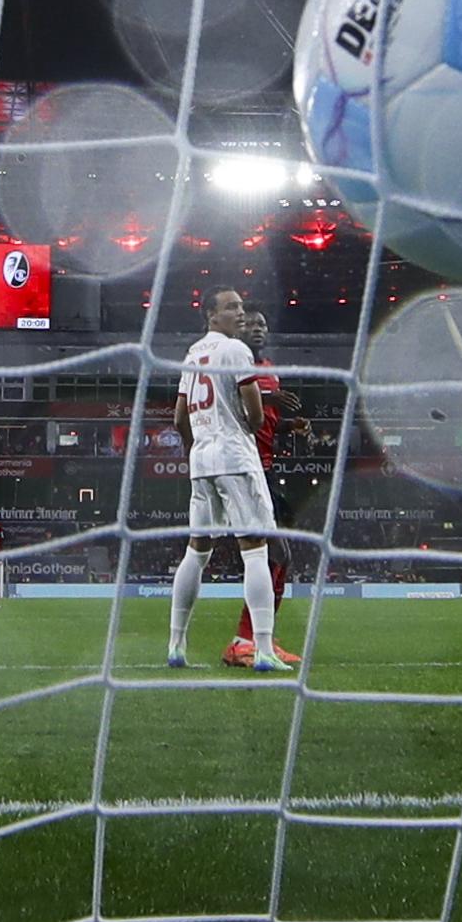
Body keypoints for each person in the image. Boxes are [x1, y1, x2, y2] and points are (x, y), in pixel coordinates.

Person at [169, 287, 293, 673]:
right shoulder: (235, 350)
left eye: (241, 306)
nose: (240, 313)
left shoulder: (193, 354)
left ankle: (176, 646)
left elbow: (178, 419)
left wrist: (198, 446)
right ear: (211, 314)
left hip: (202, 458)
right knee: (255, 550)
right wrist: (243, 427)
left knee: (197, 551)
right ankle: (261, 649)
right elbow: (255, 416)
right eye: (232, 307)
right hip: (235, 455)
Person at [222, 307, 308, 668]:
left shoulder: (269, 369)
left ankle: (258, 639)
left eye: (263, 324)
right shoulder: (231, 368)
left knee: (278, 555)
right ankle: (246, 640)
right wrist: (265, 399)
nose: (258, 329)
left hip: (265, 469)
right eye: (251, 324)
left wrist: (290, 426)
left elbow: (266, 423)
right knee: (272, 554)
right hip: (241, 468)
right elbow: (225, 410)